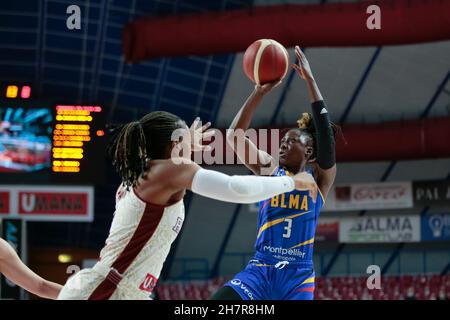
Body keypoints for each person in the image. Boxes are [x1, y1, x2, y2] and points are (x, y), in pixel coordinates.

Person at [57, 111, 318, 300]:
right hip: (110, 291)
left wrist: (182, 147)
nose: (192, 145)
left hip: (118, 289)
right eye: (184, 138)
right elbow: (235, 189)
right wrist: (293, 183)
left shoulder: (146, 174)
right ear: (172, 143)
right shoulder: (168, 171)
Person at [211, 46, 337, 300]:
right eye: (282, 140)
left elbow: (326, 135)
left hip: (297, 277)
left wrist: (310, 81)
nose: (282, 144)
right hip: (260, 270)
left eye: (291, 142)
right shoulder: (269, 171)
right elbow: (235, 136)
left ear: (310, 154)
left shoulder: (319, 181)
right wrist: (258, 93)